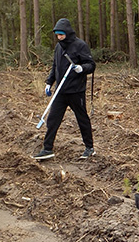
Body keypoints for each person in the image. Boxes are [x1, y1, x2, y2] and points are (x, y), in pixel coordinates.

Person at [33, 18, 96, 161]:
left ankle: (89, 148)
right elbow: (55, 66)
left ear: (67, 33)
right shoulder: (59, 47)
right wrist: (49, 82)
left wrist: (81, 68)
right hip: (60, 91)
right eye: (57, 35)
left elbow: (91, 65)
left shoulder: (80, 45)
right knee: (53, 119)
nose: (59, 37)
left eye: (61, 35)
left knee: (82, 119)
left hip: (76, 91)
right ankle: (47, 149)